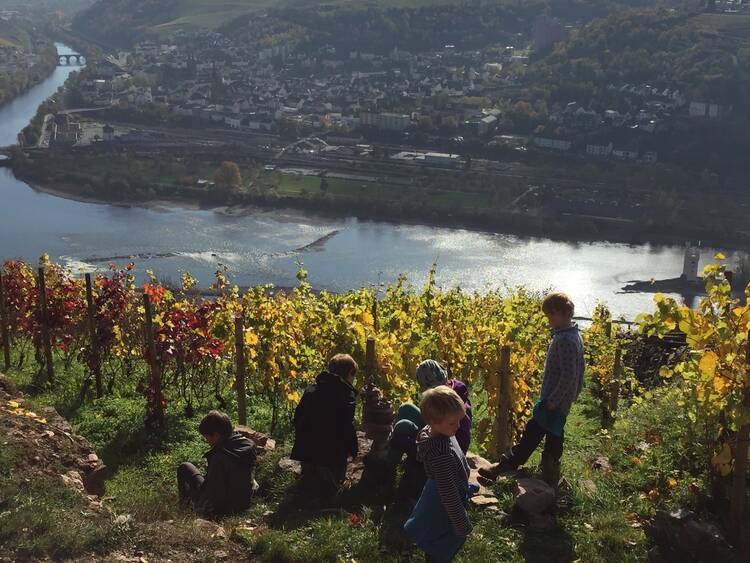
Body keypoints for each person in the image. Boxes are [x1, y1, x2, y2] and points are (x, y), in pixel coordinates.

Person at [479, 292, 585, 487]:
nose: (549, 319)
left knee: (533, 432)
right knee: (554, 434)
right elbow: (579, 370)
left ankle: (506, 466)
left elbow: (570, 375)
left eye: (551, 315)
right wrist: (569, 396)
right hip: (560, 400)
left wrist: (554, 399)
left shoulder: (566, 341)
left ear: (563, 314)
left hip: (554, 401)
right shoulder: (572, 335)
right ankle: (549, 473)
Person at [404, 386, 474, 563]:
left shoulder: (440, 431)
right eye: (453, 422)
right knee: (441, 541)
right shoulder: (441, 455)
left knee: (437, 539)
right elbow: (449, 496)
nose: (458, 426)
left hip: (441, 491)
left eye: (459, 420)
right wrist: (462, 524)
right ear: (434, 422)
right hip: (442, 505)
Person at [387, 360, 471, 498]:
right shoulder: (450, 392)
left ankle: (387, 472)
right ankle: (389, 464)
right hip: (440, 431)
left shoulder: (451, 407)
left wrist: (405, 443)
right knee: (405, 408)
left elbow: (447, 445)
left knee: (403, 427)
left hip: (444, 441)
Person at [290, 353, 358, 495]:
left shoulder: (311, 390)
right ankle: (328, 485)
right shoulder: (346, 396)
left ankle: (310, 479)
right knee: (330, 485)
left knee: (311, 481)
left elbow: (298, 418)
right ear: (350, 374)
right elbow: (347, 427)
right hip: (331, 454)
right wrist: (353, 449)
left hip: (306, 450)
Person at [177, 410, 257, 518]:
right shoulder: (248, 446)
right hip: (243, 503)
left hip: (223, 509)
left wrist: (200, 504)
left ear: (216, 435)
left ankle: (184, 508)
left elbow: (215, 494)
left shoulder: (219, 457)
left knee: (185, 467)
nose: (207, 441)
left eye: (207, 438)